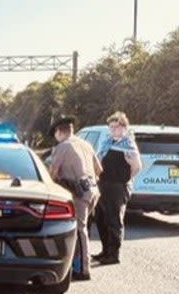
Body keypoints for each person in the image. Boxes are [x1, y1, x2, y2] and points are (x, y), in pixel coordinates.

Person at [47, 116, 102, 280]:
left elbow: (52, 173)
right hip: (92, 190)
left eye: (55, 133)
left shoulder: (63, 147)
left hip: (77, 191)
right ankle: (78, 264)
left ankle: (83, 269)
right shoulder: (86, 144)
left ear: (59, 132)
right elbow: (99, 170)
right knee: (82, 228)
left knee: (79, 229)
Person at [93, 111, 143, 265]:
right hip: (103, 185)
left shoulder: (128, 145)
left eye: (116, 127)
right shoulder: (106, 142)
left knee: (114, 220)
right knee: (101, 219)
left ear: (124, 127)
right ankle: (105, 250)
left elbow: (137, 167)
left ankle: (114, 255)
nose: (113, 130)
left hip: (117, 187)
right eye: (111, 127)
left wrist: (124, 180)